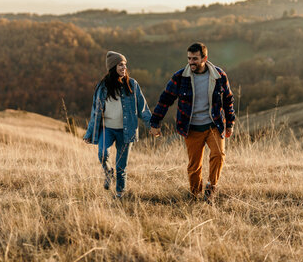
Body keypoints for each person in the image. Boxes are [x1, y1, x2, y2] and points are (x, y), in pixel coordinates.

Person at [149, 42, 235, 202]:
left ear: (205, 58)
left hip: (213, 125)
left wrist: (230, 123)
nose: (191, 62)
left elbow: (228, 100)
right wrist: (155, 123)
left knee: (219, 155)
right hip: (191, 128)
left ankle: (211, 188)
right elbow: (165, 99)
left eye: (195, 59)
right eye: (189, 58)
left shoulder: (219, 75)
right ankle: (195, 195)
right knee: (194, 166)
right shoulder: (180, 77)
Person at [83, 51, 152, 199]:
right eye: (121, 64)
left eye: (125, 65)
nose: (124, 67)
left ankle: (120, 193)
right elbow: (96, 111)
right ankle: (108, 172)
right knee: (102, 154)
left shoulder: (132, 84)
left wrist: (152, 125)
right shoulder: (102, 87)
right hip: (107, 129)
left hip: (126, 132)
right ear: (113, 67)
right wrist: (89, 133)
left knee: (121, 166)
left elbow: (143, 108)